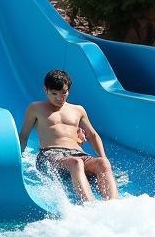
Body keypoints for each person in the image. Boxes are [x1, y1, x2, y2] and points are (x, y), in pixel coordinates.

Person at [16, 69, 118, 203]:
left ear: (68, 90)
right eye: (54, 94)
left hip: (77, 154)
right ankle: (90, 206)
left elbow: (93, 135)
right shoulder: (36, 108)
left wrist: (103, 156)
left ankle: (113, 205)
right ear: (45, 90)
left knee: (103, 163)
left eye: (64, 93)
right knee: (75, 163)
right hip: (50, 154)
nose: (59, 98)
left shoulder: (78, 110)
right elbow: (24, 135)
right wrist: (17, 159)